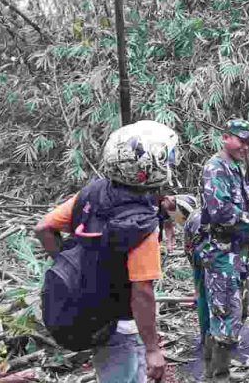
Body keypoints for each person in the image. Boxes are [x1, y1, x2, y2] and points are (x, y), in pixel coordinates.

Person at [34, 120, 179, 383]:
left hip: (93, 313)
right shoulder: (143, 223)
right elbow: (142, 292)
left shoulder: (93, 192)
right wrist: (153, 349)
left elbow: (44, 228)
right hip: (121, 325)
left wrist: (70, 265)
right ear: (151, 167)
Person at [198, 119, 249, 378]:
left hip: (236, 254)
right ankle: (218, 376)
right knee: (226, 314)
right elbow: (221, 212)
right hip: (222, 255)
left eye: (248, 142)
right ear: (225, 137)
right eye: (241, 140)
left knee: (231, 313)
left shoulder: (233, 167)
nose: (246, 147)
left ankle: (214, 372)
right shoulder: (215, 167)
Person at [182, 209, 213, 362]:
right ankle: (221, 338)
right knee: (221, 295)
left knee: (202, 296)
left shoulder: (193, 215)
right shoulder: (230, 211)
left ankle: (205, 336)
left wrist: (194, 265)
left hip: (198, 254)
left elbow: (187, 245)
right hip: (221, 255)